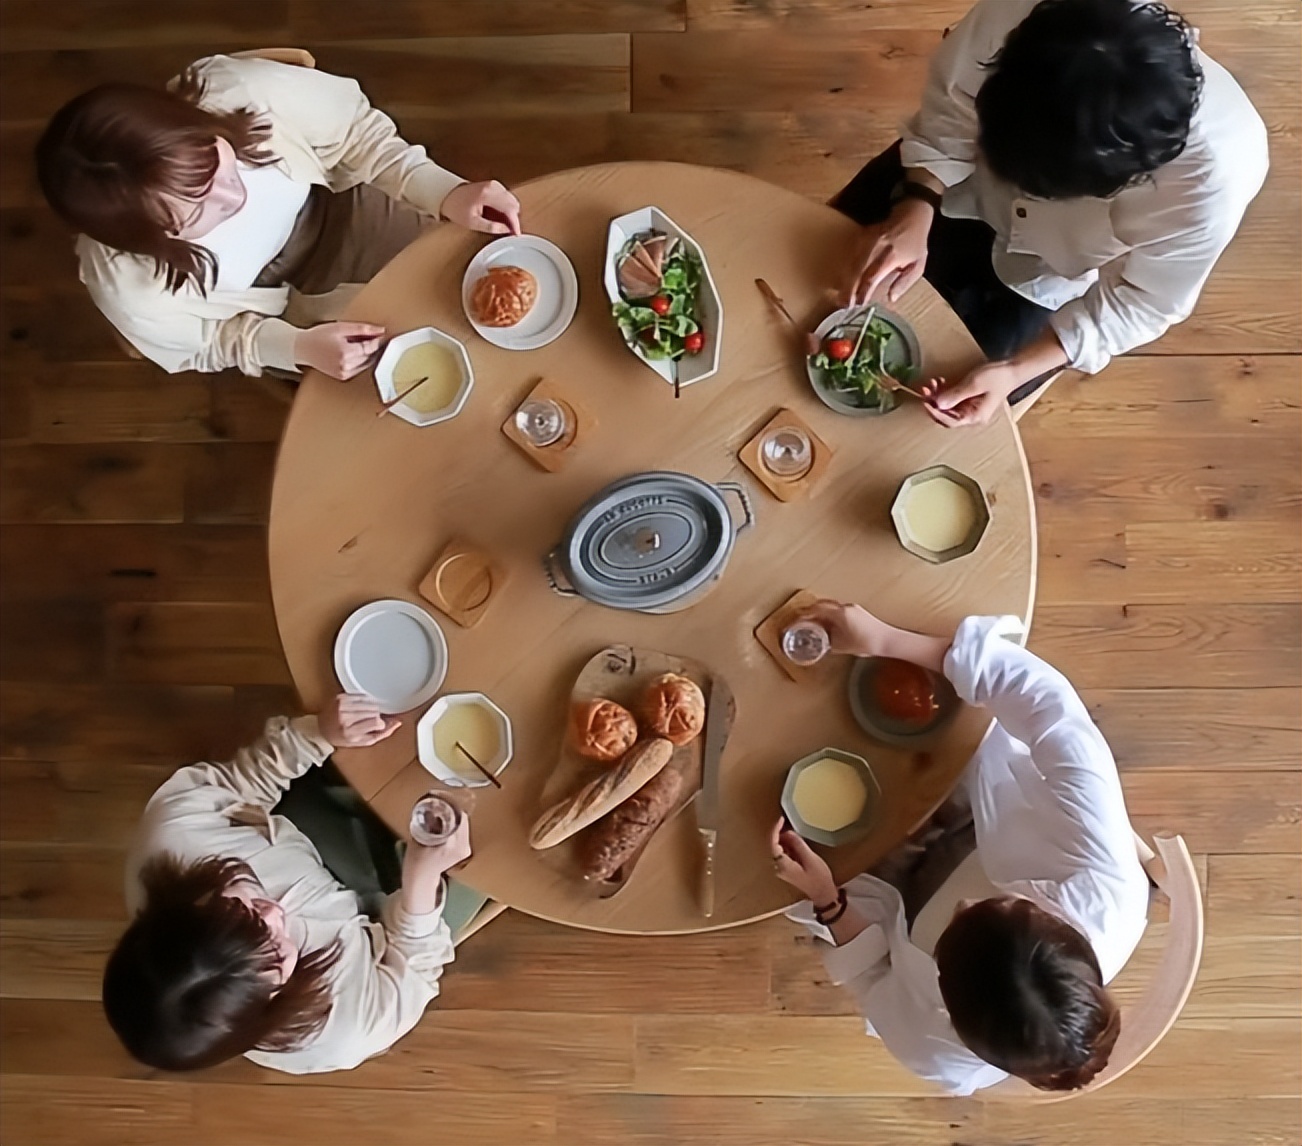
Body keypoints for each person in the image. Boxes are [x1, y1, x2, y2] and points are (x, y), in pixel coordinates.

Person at [771, 603, 1150, 1095]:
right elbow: (1049, 709)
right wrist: (885, 641)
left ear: (949, 1008)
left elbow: (875, 975)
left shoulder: (931, 1050)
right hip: (983, 802)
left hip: (889, 902)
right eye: (1001, 905)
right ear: (1058, 922)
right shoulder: (1103, 878)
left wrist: (829, 900)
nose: (967, 901)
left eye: (955, 929)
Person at [833, 0, 1268, 423]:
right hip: (945, 178)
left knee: (935, 415)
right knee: (811, 269)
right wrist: (918, 201)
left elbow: (1144, 302)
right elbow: (953, 103)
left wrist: (1016, 372)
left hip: (1043, 274)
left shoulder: (1210, 183)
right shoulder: (1022, 10)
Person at [36, 53, 523, 379]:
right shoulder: (124, 283)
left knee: (482, 282)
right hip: (277, 313)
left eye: (215, 165)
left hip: (338, 202)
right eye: (193, 214)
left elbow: (358, 132)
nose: (233, 199)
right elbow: (211, 341)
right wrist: (293, 348)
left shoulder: (239, 92)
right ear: (143, 242)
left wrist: (444, 189)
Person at [103, 693, 470, 1074]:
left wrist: (318, 734)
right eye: (278, 958)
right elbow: (414, 972)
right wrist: (421, 882)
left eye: (238, 906)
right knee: (483, 860)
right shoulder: (338, 1032)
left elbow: (241, 783)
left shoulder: (174, 837)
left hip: (306, 839)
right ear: (267, 1007)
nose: (277, 913)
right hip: (389, 929)